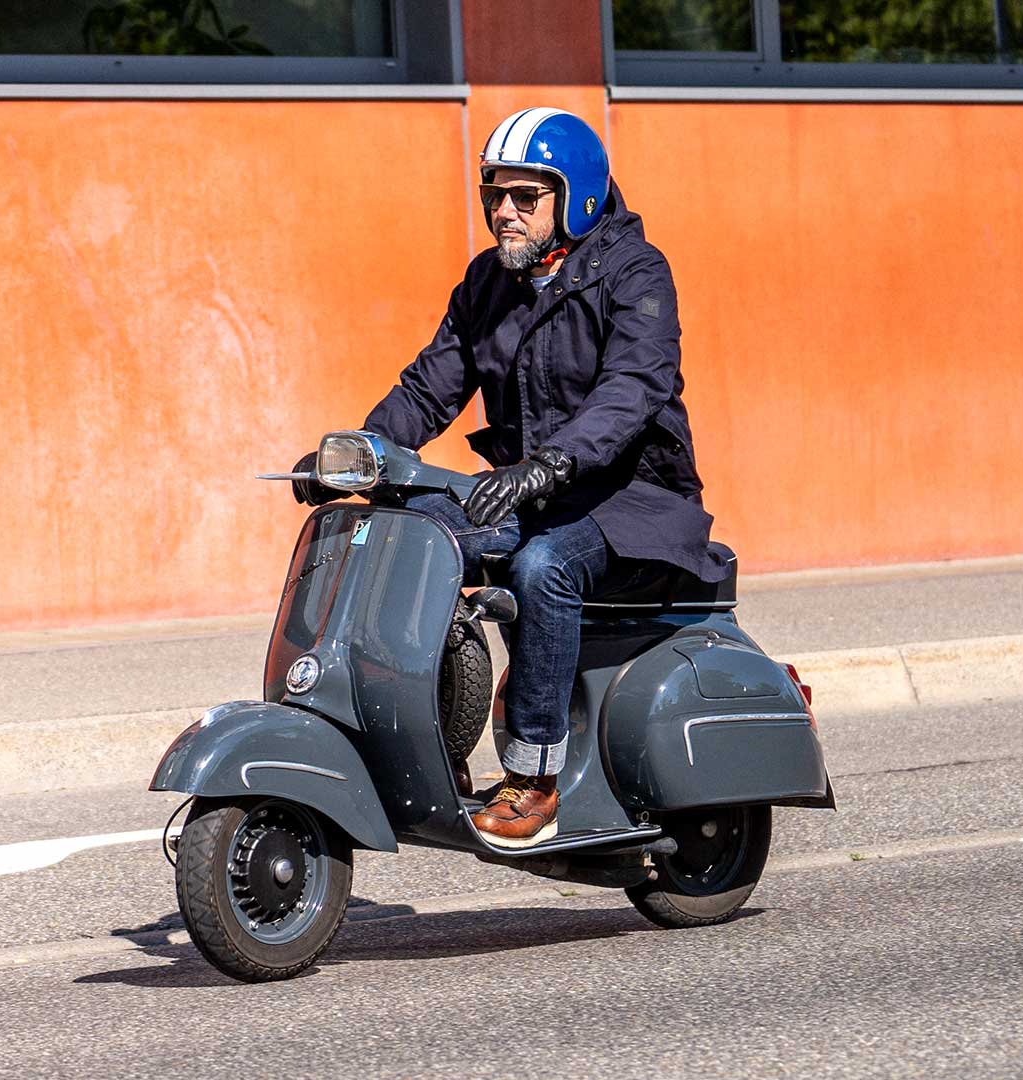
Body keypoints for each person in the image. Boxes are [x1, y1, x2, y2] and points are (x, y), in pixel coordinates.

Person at [295, 107, 728, 848]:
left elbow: (633, 388)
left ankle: (534, 776)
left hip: (635, 502)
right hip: (537, 489)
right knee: (414, 533)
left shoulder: (635, 272)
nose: (503, 212)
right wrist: (355, 453)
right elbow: (430, 387)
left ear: (577, 199)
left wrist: (549, 465)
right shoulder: (491, 282)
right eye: (494, 194)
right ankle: (428, 740)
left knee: (544, 565)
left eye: (525, 197)